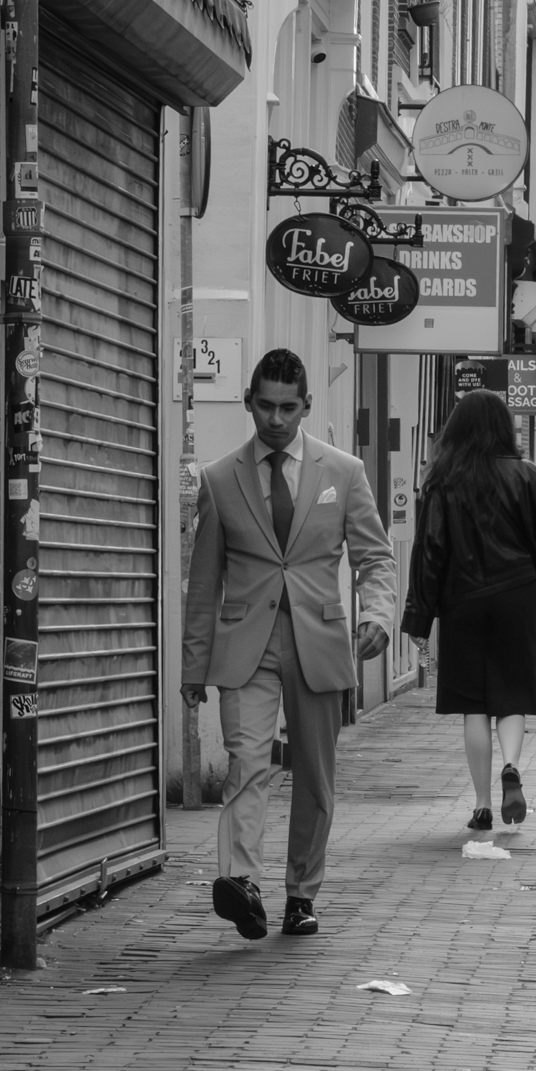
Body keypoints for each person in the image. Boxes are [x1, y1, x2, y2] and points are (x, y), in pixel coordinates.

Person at [183, 349, 397, 940]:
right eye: (265, 406)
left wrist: (378, 614)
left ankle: (301, 894)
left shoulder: (344, 472)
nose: (275, 419)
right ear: (248, 403)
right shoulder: (219, 478)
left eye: (287, 408)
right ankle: (242, 883)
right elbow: (204, 582)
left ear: (305, 406)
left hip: (318, 643)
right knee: (247, 764)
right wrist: (194, 666)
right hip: (244, 647)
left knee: (314, 778)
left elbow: (376, 557)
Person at [400, 390, 536, 833]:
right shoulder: (529, 477)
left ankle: (481, 806)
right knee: (512, 692)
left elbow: (429, 551)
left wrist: (419, 617)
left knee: (472, 704)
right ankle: (511, 765)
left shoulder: (443, 480)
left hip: (462, 601)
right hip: (517, 597)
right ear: (504, 428)